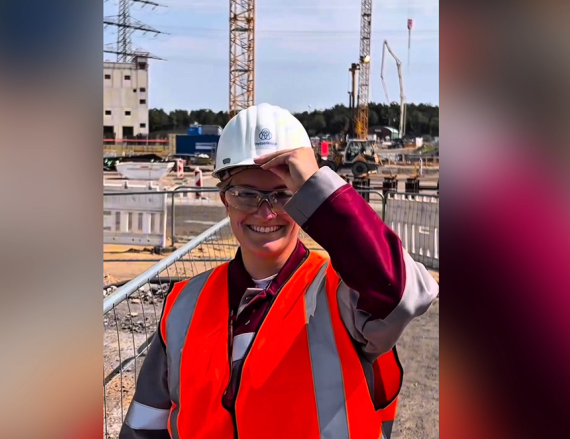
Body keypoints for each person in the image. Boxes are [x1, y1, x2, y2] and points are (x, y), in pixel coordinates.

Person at [119, 103, 439, 439]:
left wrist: (320, 187)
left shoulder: (343, 297)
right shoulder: (183, 305)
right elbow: (144, 426)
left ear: (305, 198)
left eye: (283, 196)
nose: (266, 213)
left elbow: (404, 292)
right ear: (225, 199)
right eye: (246, 195)